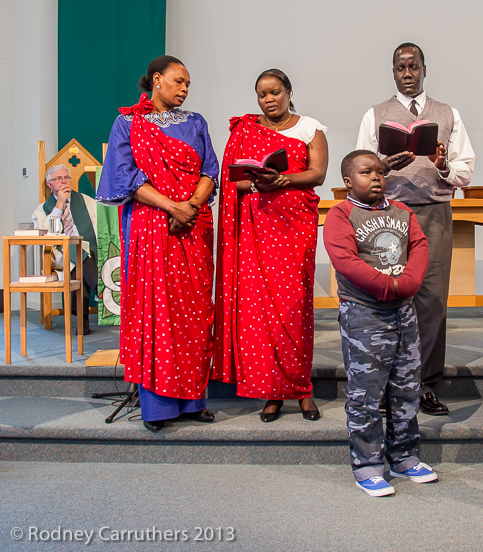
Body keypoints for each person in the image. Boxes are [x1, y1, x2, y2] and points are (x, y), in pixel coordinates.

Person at [96, 55, 219, 433]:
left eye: (188, 85)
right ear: (156, 79)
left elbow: (210, 171)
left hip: (192, 227)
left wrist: (191, 207)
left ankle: (193, 400)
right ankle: (159, 406)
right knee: (157, 310)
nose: (184, 89)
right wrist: (172, 206)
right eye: (179, 81)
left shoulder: (196, 122)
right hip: (152, 226)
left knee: (195, 310)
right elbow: (124, 177)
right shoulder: (127, 123)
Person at [355, 42, 476, 416]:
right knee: (386, 297)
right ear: (392, 72)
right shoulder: (374, 115)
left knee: (431, 301)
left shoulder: (448, 113)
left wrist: (441, 166)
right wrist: (383, 167)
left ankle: (424, 385)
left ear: (425, 69)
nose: (407, 73)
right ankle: (388, 383)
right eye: (400, 68)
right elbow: (361, 169)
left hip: (434, 213)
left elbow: (465, 169)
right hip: (386, 214)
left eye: (413, 66)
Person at [213, 69, 328, 423]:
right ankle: (272, 393)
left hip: (295, 226)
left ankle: (303, 389)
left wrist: (282, 179)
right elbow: (233, 182)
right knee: (260, 312)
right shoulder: (246, 131)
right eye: (262, 95)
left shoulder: (310, 127)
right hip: (257, 227)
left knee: (295, 308)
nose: (269, 100)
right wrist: (261, 183)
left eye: (275, 92)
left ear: (289, 92)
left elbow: (318, 173)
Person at [324, 149, 436, 497]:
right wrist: (390, 285)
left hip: (404, 312)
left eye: (379, 172)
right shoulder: (341, 214)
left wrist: (409, 283)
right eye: (365, 172)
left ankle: (403, 456)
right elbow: (345, 260)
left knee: (406, 388)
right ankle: (368, 464)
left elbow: (419, 247)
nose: (375, 177)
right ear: (348, 181)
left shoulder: (402, 213)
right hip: (365, 314)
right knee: (366, 393)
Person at [33, 164, 99, 334]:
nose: (64, 182)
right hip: (61, 254)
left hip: (91, 249)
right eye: (58, 179)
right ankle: (104, 291)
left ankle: (82, 322)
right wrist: (59, 205)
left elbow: (100, 226)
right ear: (49, 184)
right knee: (80, 257)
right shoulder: (41, 210)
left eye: (66, 178)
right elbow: (49, 234)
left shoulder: (86, 201)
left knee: (83, 257)